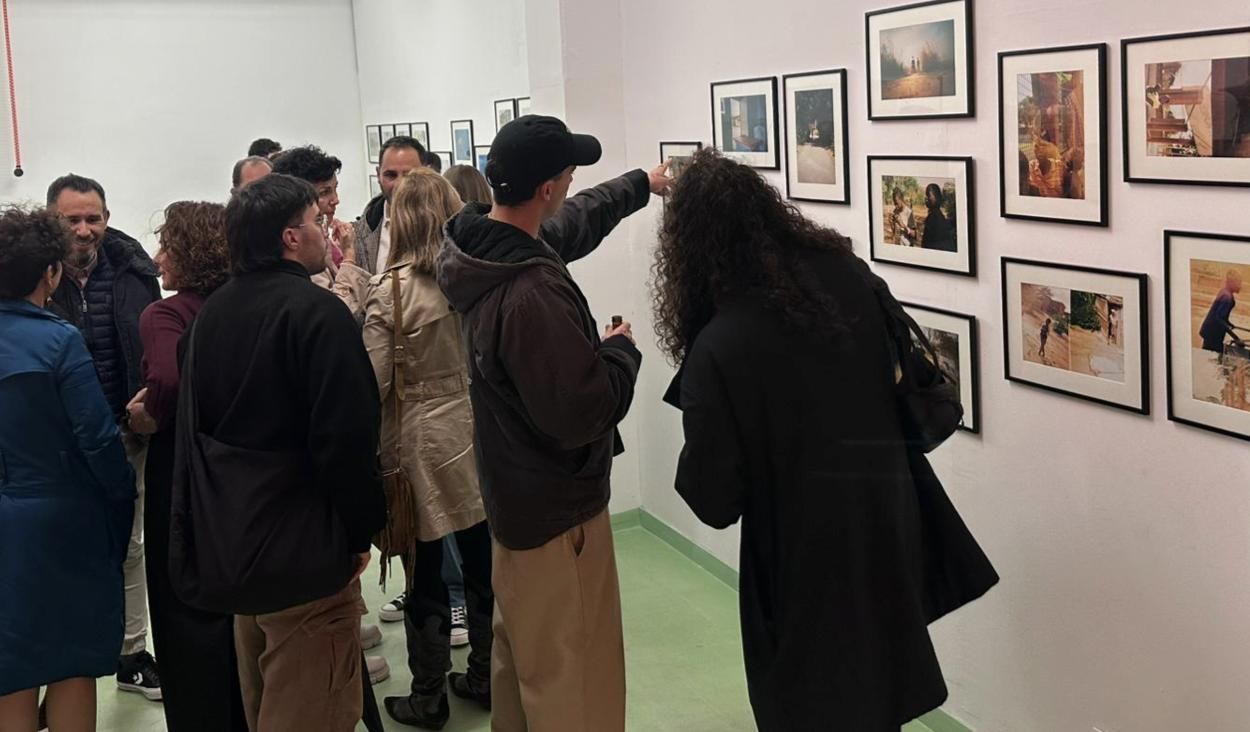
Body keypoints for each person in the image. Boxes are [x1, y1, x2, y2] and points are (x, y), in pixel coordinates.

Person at [651, 150, 953, 730]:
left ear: (688, 247)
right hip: (883, 518)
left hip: (797, 553)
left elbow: (714, 502)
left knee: (808, 701)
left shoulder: (720, 346)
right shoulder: (847, 275)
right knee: (877, 685)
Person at [437, 114, 670, 731]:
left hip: (514, 503)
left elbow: (577, 220)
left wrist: (642, 183)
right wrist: (619, 350)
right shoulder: (532, 294)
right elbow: (582, 410)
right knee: (577, 684)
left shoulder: (480, 244)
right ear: (547, 187)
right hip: (558, 515)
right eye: (568, 173)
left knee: (527, 672)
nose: (571, 182)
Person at [173, 173, 387, 731]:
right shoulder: (317, 315)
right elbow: (346, 441)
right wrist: (360, 531)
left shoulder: (209, 318)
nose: (325, 231)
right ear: (291, 238)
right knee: (312, 711)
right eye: (317, 221)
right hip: (306, 558)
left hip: (236, 551)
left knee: (264, 702)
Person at [362, 169, 493, 728]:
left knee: (426, 569)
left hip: (417, 441)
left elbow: (373, 384)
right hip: (477, 430)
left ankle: (429, 695)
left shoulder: (388, 290)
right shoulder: (479, 278)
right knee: (485, 562)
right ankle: (487, 674)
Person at [0, 205, 136, 732]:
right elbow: (99, 441)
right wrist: (122, 499)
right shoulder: (59, 341)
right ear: (51, 273)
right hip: (61, 520)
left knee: (10, 664)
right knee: (71, 660)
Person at [123, 202, 247, 732]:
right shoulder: (246, 303)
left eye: (167, 246)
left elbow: (168, 382)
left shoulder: (166, 314)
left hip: (182, 470)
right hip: (242, 469)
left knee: (182, 604)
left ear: (190, 252)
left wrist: (145, 414)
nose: (157, 259)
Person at [45, 173, 163, 701]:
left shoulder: (135, 272)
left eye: (94, 217)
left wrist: (145, 408)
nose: (85, 230)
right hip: (59, 440)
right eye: (73, 220)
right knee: (63, 547)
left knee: (130, 545)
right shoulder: (27, 278)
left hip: (126, 430)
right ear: (53, 222)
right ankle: (62, 658)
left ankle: (131, 653)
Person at [354, 136, 428, 276]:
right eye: (390, 175)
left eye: (409, 175)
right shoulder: (360, 234)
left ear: (426, 173)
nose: (399, 184)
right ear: (378, 174)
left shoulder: (447, 227)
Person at [1199, 270, 1244, 353]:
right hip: (1213, 333)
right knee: (1214, 356)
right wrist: (1236, 338)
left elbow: (1220, 316)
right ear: (1231, 283)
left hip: (1210, 331)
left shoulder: (1224, 292)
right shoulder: (1227, 298)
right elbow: (1218, 319)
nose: (1240, 286)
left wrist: (1230, 324)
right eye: (1238, 283)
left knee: (1209, 354)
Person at [920, 183, 955, 252]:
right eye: (926, 196)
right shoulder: (936, 215)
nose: (926, 198)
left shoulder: (934, 217)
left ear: (936, 197)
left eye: (928, 195)